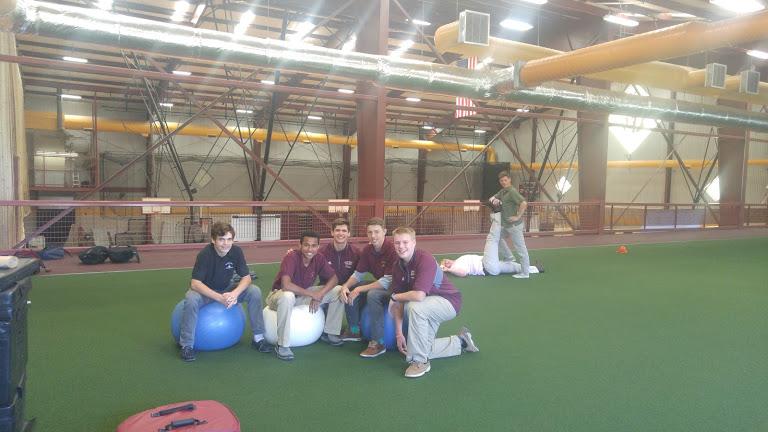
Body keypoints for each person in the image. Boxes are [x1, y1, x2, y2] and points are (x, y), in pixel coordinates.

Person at [389, 227, 479, 378]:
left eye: (405, 242)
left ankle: (420, 362)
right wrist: (399, 334)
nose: (401, 246)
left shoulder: (425, 259)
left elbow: (418, 295)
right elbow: (398, 303)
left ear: (414, 243)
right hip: (427, 305)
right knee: (423, 348)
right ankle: (461, 341)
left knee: (413, 306)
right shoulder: (397, 267)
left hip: (448, 301)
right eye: (397, 242)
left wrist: (395, 297)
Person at [178, 222, 271, 362]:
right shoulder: (205, 255)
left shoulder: (236, 252)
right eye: (221, 239)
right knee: (191, 299)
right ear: (213, 240)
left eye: (229, 239)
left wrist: (234, 294)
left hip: (227, 289)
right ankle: (186, 345)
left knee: (254, 291)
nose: (225, 244)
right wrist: (220, 298)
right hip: (206, 292)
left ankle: (258, 338)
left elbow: (246, 278)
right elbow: (195, 284)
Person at [267, 231, 345, 361]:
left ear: (318, 246)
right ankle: (282, 345)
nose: (310, 249)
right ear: (300, 245)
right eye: (306, 245)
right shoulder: (291, 257)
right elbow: (286, 285)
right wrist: (313, 294)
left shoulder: (319, 258)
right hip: (279, 296)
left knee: (338, 290)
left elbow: (334, 279)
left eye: (314, 246)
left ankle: (330, 332)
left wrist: (320, 294)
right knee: (288, 296)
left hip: (301, 295)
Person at [338, 217, 398, 358]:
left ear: (384, 231)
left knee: (372, 294)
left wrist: (359, 290)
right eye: (370, 232)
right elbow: (358, 274)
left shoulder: (392, 250)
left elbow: (387, 281)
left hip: (397, 289)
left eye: (377, 232)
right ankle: (354, 330)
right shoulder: (368, 250)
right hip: (382, 284)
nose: (373, 236)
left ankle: (378, 342)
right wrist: (345, 286)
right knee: (352, 289)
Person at [489, 170, 531, 279]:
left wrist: (518, 216)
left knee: (521, 249)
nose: (503, 182)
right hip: (506, 226)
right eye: (501, 181)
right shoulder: (503, 191)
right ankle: (509, 257)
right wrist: (494, 200)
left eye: (505, 180)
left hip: (514, 226)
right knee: (496, 238)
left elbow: (524, 203)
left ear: (509, 180)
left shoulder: (512, 191)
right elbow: (493, 198)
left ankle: (525, 273)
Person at [440, 254, 541, 277]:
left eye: (446, 260)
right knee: (512, 266)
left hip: (488, 262)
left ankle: (534, 268)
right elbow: (463, 273)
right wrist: (449, 270)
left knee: (511, 265)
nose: (447, 262)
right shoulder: (455, 267)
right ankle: (535, 269)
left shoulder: (457, 261)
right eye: (446, 264)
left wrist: (449, 264)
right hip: (486, 266)